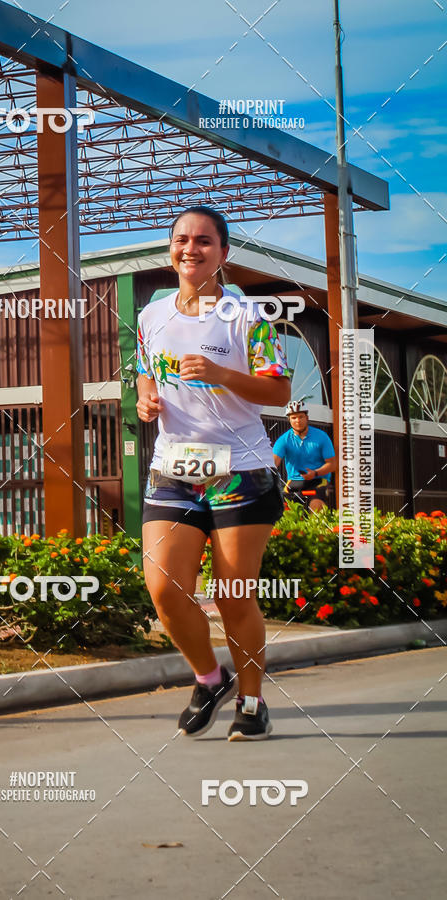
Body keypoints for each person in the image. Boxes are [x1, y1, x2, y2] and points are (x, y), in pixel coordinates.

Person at [135, 205, 291, 741]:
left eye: (204, 241)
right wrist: (146, 400)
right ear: (170, 249)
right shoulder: (152, 316)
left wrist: (223, 374)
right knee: (164, 588)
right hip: (173, 469)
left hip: (240, 471)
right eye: (181, 239)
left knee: (233, 593)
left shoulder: (247, 317)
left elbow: (278, 391)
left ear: (223, 253)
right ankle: (210, 677)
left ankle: (252, 701)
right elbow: (143, 372)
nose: (190, 249)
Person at [272, 401, 336, 512]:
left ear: (307, 417)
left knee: (316, 508)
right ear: (289, 420)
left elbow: (332, 464)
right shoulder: (284, 440)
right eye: (294, 418)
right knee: (285, 513)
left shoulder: (321, 436)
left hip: (318, 480)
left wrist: (315, 473)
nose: (298, 421)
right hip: (294, 481)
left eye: (301, 417)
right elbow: (272, 464)